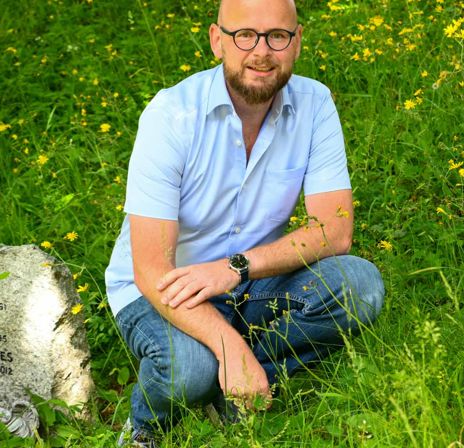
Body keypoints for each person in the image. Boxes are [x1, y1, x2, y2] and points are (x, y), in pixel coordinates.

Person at [104, 0, 385, 445]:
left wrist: (234, 268)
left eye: (277, 36)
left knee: (359, 286)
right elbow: (151, 270)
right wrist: (227, 343)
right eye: (244, 36)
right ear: (218, 41)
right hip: (164, 287)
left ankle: (234, 389)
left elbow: (335, 230)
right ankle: (145, 429)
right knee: (187, 369)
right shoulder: (172, 116)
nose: (261, 51)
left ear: (297, 42)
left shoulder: (315, 105)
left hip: (251, 280)